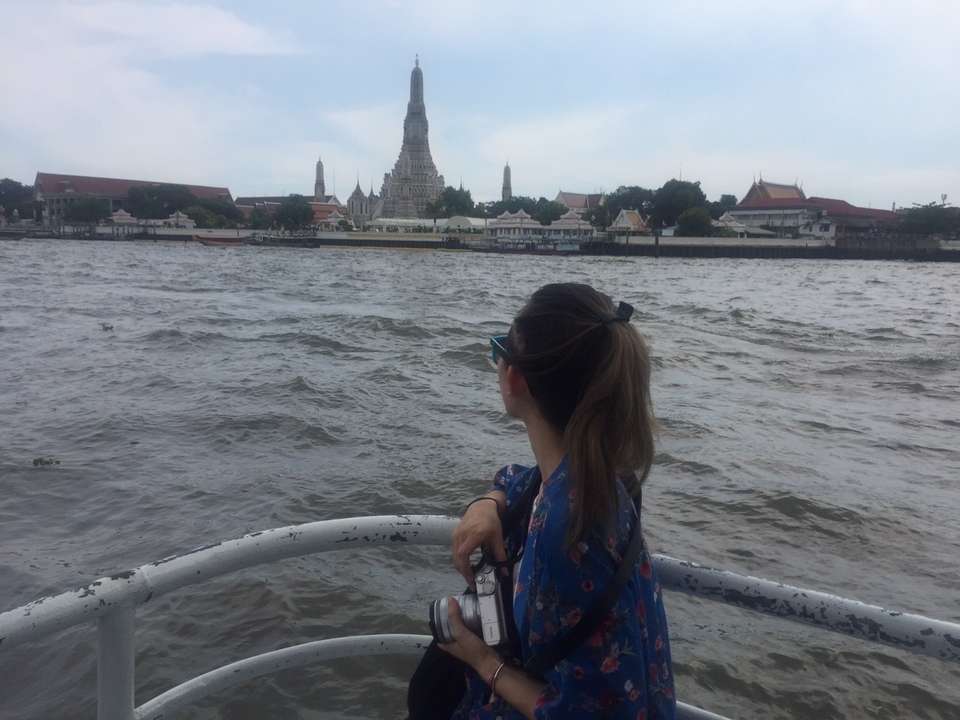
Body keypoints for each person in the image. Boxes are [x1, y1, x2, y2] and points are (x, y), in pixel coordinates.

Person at [438, 282, 675, 720]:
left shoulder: (566, 533)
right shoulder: (593, 476)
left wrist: (479, 658)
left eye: (500, 350)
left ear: (514, 377)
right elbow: (522, 479)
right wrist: (490, 500)